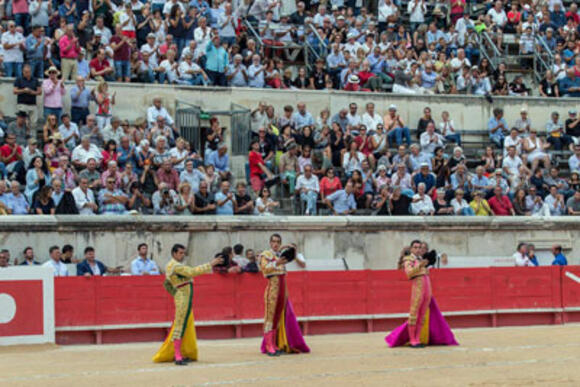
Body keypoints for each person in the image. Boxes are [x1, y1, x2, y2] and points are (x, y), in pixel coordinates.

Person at [152, 243, 223, 365]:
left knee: (182, 324)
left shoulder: (173, 265)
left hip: (182, 296)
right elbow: (192, 272)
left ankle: (180, 353)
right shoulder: (174, 266)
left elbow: (166, 284)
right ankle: (178, 356)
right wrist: (211, 264)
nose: (182, 255)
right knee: (180, 325)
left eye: (183, 253)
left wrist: (175, 293)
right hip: (183, 297)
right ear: (174, 253)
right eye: (180, 253)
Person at [386, 240, 458, 348]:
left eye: (419, 247)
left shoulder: (421, 260)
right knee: (414, 314)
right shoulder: (408, 260)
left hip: (427, 290)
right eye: (415, 247)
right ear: (411, 249)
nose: (418, 249)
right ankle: (412, 339)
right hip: (418, 290)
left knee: (422, 316)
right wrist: (420, 266)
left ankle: (417, 338)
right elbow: (409, 273)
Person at [259, 234, 310, 356]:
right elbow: (264, 269)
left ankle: (274, 344)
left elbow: (300, 262)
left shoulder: (281, 256)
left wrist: (286, 249)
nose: (275, 244)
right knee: (269, 317)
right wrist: (276, 263)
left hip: (282, 289)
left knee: (277, 318)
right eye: (273, 242)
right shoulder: (265, 255)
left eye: (278, 242)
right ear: (270, 243)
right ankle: (269, 345)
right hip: (272, 289)